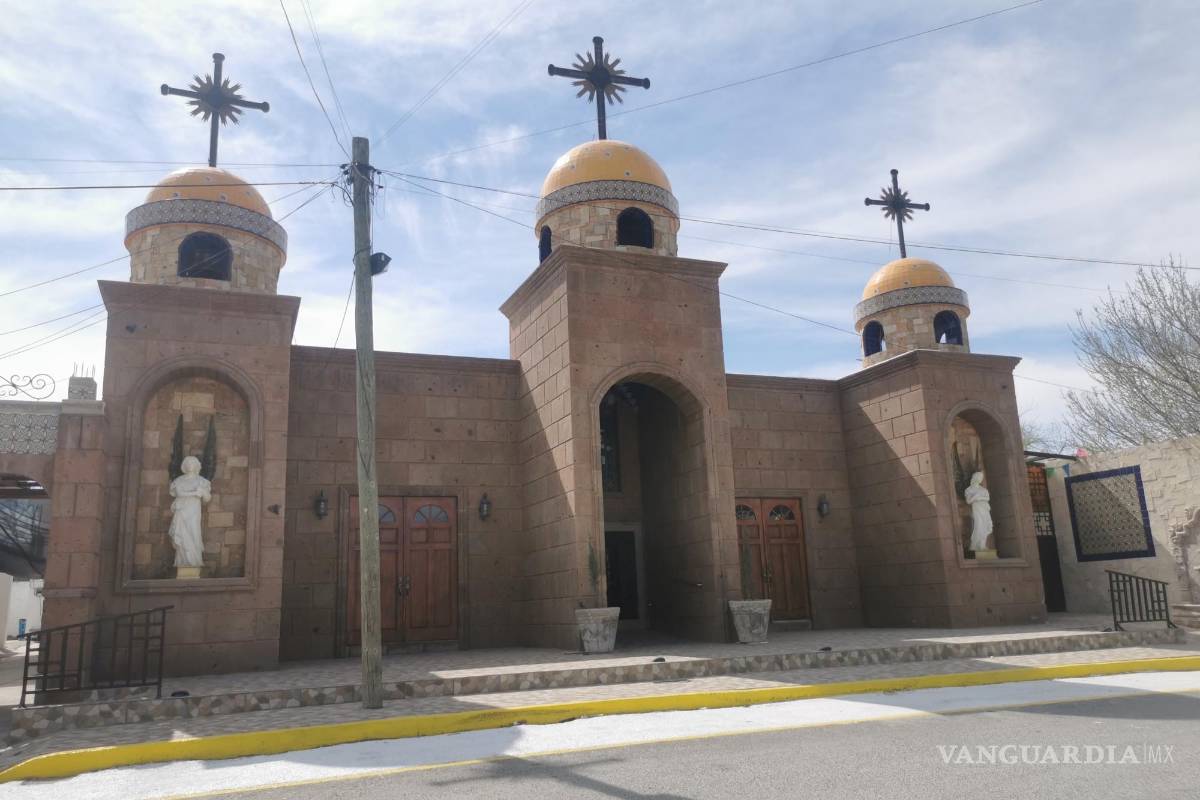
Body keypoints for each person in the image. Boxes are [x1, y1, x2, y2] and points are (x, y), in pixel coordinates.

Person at [168, 455, 211, 569]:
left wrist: (202, 492)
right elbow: (179, 493)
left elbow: (207, 499)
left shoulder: (202, 481)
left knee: (194, 532)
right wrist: (194, 493)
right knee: (181, 534)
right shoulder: (178, 481)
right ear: (184, 466)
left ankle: (195, 561)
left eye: (192, 462)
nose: (189, 465)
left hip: (193, 511)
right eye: (187, 462)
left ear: (197, 465)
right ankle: (182, 562)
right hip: (181, 511)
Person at [964, 471, 993, 552]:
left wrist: (979, 498)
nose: (981, 479)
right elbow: (968, 501)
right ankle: (975, 545)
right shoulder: (968, 490)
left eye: (982, 478)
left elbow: (987, 498)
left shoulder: (983, 489)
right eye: (980, 477)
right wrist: (976, 497)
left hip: (985, 509)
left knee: (985, 526)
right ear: (975, 478)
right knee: (979, 526)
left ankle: (982, 545)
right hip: (976, 509)